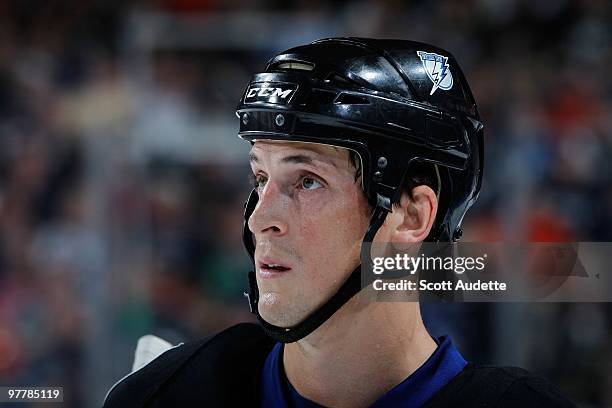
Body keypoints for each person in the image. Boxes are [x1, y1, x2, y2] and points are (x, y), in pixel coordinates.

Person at [103, 38, 575, 407]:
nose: (260, 219)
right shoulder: (166, 395)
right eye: (260, 176)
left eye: (307, 181)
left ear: (412, 215)